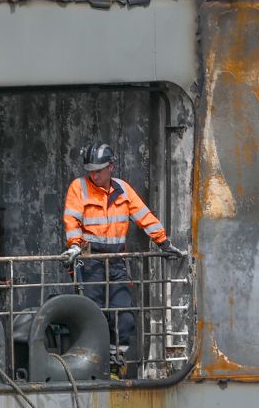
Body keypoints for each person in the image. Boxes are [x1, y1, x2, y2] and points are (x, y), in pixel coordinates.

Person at [61, 142, 185, 374]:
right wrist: (75, 246)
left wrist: (164, 243)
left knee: (124, 316)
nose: (94, 175)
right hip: (90, 262)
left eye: (98, 170)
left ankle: (116, 363)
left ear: (111, 167)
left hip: (117, 262)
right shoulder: (79, 188)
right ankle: (93, 366)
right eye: (90, 170)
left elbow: (144, 216)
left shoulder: (123, 190)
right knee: (93, 315)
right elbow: (72, 220)